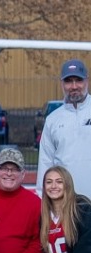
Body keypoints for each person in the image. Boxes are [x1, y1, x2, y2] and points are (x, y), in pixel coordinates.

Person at [39, 60, 91, 192]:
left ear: (87, 81)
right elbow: (45, 162)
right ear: (62, 83)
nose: (74, 86)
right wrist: (42, 198)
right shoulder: (52, 120)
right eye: (68, 81)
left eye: (78, 80)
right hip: (65, 202)